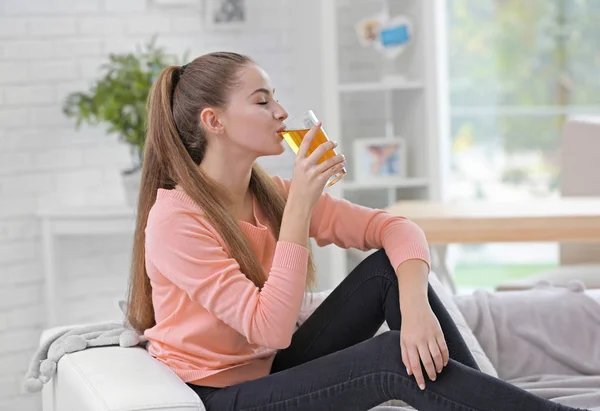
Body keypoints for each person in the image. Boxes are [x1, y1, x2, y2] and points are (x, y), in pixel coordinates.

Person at [126, 52, 587, 411]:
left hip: (268, 369)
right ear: (214, 121)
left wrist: (415, 304)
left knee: (387, 271)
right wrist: (302, 205)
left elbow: (395, 228)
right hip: (219, 398)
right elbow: (270, 329)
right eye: (262, 101)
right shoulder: (176, 222)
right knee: (391, 359)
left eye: (276, 97)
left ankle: (482, 401)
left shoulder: (269, 194)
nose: (282, 112)